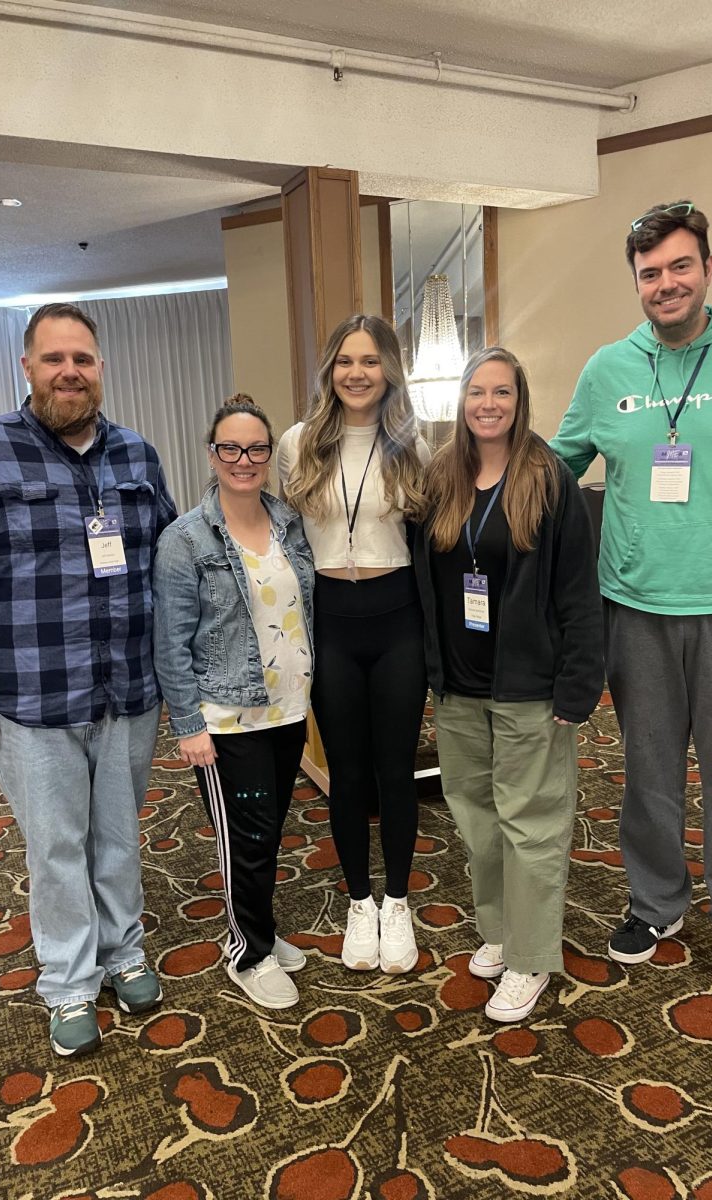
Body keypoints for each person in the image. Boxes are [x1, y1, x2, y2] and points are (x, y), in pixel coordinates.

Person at [551, 200, 712, 1005]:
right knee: (648, 770)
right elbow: (557, 466)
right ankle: (656, 903)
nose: (665, 284)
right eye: (650, 273)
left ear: (707, 268)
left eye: (679, 267)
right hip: (633, 605)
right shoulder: (608, 369)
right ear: (636, 281)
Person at [0, 302, 177, 1056]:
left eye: (84, 359)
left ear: (100, 370)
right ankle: (68, 982)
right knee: (58, 846)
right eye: (55, 358)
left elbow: (168, 565)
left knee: (120, 837)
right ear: (27, 366)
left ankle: (124, 948)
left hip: (127, 689)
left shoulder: (136, 456)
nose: (71, 372)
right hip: (29, 699)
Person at [414, 346, 603, 1022]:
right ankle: (501, 931)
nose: (488, 404)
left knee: (532, 826)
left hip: (531, 686)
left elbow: (580, 591)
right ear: (460, 402)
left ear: (519, 402)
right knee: (478, 820)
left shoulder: (549, 478)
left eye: (502, 393)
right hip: (461, 686)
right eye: (477, 392)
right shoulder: (442, 476)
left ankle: (530, 958)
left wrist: (579, 686)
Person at [277, 314, 430, 974]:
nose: (358, 373)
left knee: (395, 769)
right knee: (344, 771)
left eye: (370, 361)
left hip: (397, 619)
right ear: (329, 370)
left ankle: (397, 901)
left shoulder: (417, 445)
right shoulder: (298, 442)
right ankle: (359, 901)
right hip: (331, 620)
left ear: (389, 369)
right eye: (345, 361)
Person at [153, 395, 314, 1010]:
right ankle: (247, 951)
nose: (243, 460)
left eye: (255, 449)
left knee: (268, 830)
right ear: (212, 453)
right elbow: (169, 641)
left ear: (269, 454)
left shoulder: (288, 521)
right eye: (231, 448)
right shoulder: (185, 540)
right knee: (243, 837)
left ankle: (261, 929)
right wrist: (189, 724)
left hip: (289, 708)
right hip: (227, 719)